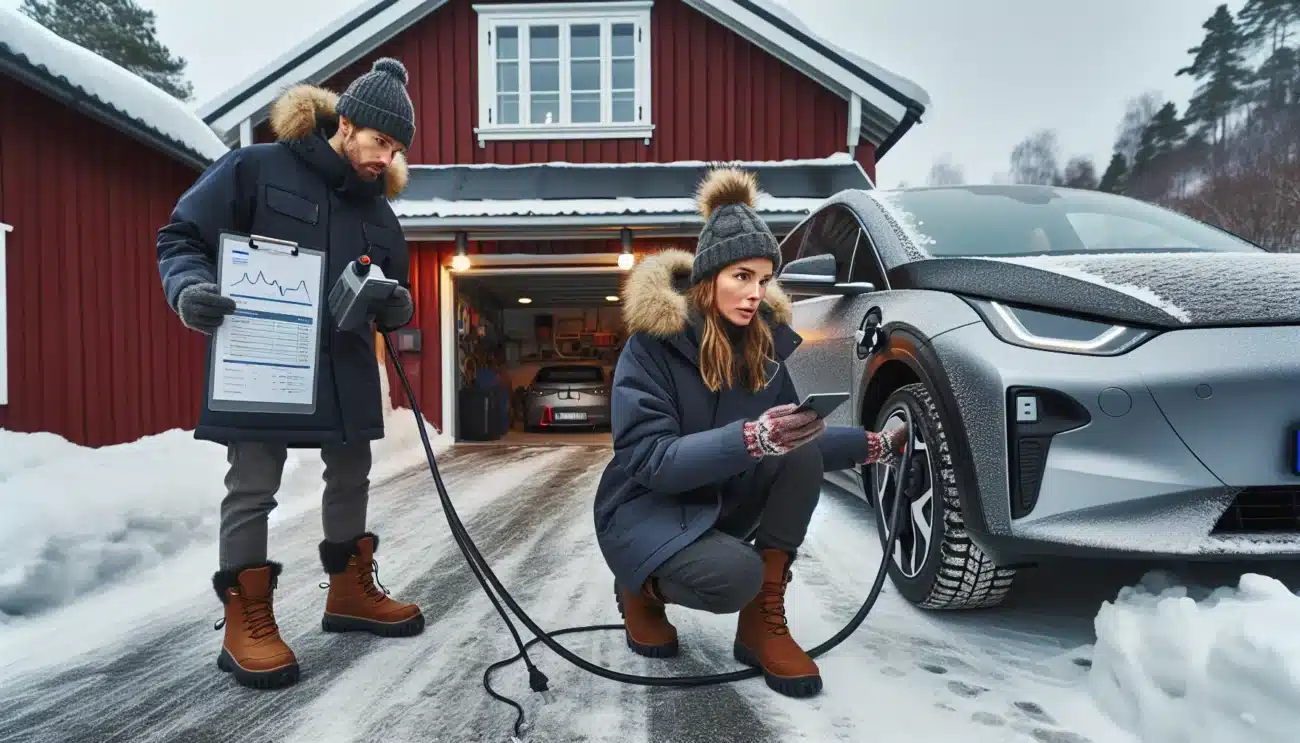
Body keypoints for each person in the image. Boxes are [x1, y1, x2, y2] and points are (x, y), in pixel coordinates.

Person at [156, 58, 425, 690]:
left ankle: (349, 593)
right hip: (264, 360)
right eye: (380, 142)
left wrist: (399, 304)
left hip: (346, 367)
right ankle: (245, 619)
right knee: (253, 486)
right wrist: (189, 289)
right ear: (347, 122)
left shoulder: (379, 211)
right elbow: (180, 238)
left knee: (352, 472)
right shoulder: (256, 168)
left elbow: (397, 289)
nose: (386, 159)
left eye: (398, 150)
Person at [593, 167, 908, 698]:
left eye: (764, 280)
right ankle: (638, 588)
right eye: (741, 276)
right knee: (734, 576)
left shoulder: (762, 351)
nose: (755, 293)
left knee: (800, 449)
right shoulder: (650, 349)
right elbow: (649, 459)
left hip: (714, 504)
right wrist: (751, 439)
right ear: (709, 277)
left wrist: (869, 446)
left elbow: (788, 443)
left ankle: (762, 622)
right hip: (646, 511)